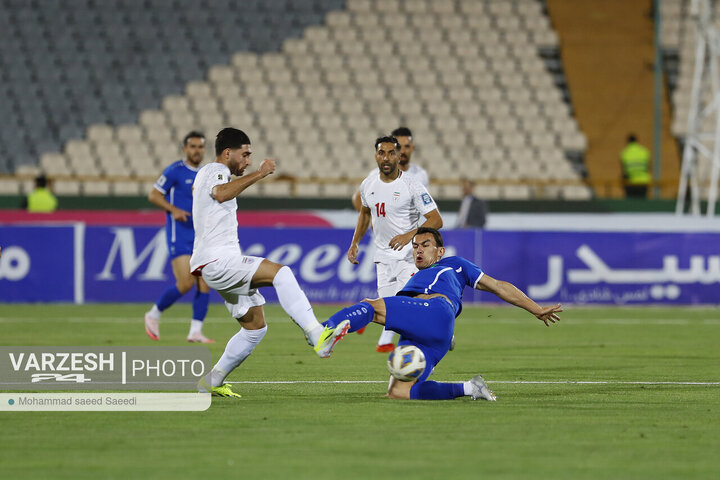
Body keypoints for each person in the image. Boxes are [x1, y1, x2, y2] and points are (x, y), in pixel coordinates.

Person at [191, 128, 350, 398]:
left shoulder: (212, 174)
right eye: (245, 154)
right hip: (218, 260)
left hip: (215, 262)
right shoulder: (215, 171)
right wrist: (261, 174)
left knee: (255, 328)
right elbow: (220, 193)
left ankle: (212, 379)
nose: (249, 161)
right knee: (282, 273)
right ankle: (317, 335)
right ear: (227, 153)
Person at [324, 227, 562, 401]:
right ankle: (470, 388)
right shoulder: (414, 277)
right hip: (429, 333)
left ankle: (323, 331)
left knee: (370, 306)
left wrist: (537, 309)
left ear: (440, 251)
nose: (418, 250)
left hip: (437, 312)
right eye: (415, 246)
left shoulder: (454, 265)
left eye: (425, 245)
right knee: (399, 392)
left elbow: (498, 286)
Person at [348, 136, 443, 353]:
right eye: (382, 153)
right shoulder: (368, 184)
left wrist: (409, 235)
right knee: (390, 315)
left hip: (408, 258)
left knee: (406, 310)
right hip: (382, 258)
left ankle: (420, 355)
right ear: (376, 156)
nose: (386, 157)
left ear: (399, 156)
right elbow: (364, 213)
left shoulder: (411, 185)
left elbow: (436, 220)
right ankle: (437, 331)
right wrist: (355, 243)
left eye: (392, 153)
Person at [144, 131, 214, 343]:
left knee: (204, 283)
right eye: (192, 146)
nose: (197, 150)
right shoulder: (175, 171)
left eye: (200, 147)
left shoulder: (205, 173)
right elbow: (154, 195)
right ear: (184, 149)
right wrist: (173, 209)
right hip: (180, 234)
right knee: (185, 282)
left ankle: (195, 331)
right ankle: (153, 314)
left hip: (200, 236)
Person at [352, 126, 430, 211]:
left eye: (406, 146)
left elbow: (425, 205)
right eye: (399, 147)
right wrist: (371, 219)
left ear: (412, 148)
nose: (403, 151)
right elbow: (357, 198)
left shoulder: (421, 175)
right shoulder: (376, 174)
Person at [620, 134, 651, 198]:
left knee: (631, 204)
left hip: (630, 183)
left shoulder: (624, 153)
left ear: (628, 142)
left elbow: (624, 170)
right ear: (637, 141)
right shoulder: (644, 151)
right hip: (643, 182)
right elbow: (649, 167)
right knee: (642, 204)